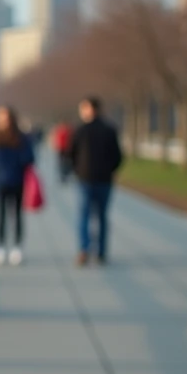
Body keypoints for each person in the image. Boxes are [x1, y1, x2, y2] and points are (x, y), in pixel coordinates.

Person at [68, 97, 123, 266]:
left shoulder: (80, 130)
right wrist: (109, 170)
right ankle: (101, 252)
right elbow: (118, 157)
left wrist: (78, 170)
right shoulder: (109, 129)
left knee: (84, 216)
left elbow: (71, 154)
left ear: (90, 109)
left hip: (85, 179)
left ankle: (84, 250)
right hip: (104, 179)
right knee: (102, 217)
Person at [0, 106, 34, 266]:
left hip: (18, 181)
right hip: (0, 183)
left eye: (4, 117)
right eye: (0, 117)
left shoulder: (22, 138)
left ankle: (17, 247)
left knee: (17, 215)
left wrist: (18, 161)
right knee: (0, 215)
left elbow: (30, 158)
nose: (2, 121)